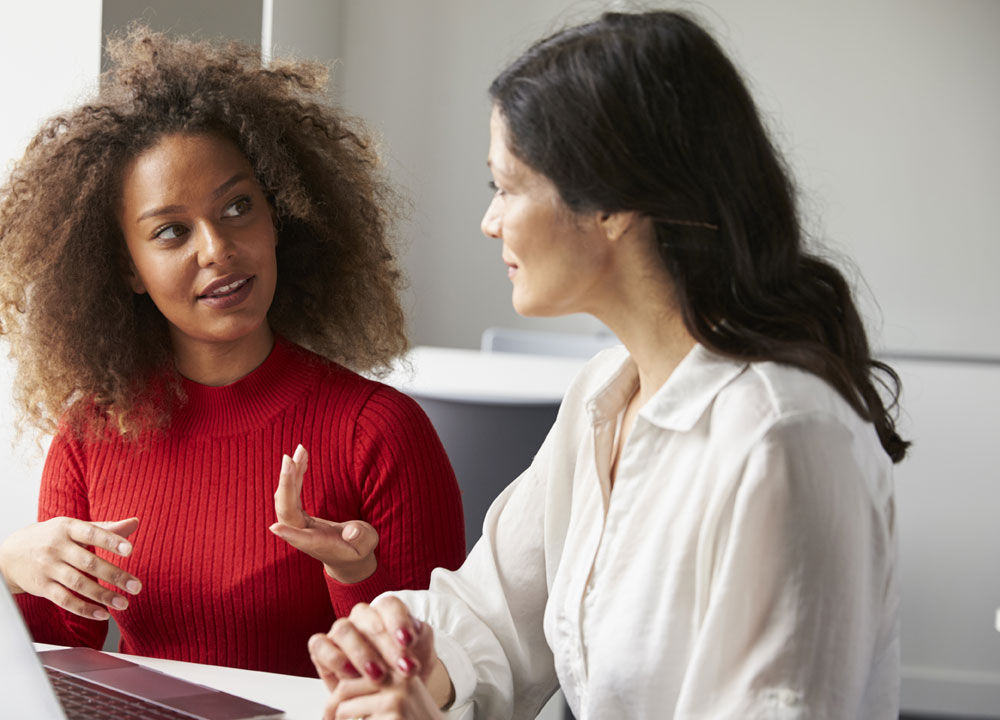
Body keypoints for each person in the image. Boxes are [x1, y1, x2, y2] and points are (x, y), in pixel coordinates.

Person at [308, 10, 908, 718]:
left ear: (614, 205)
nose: (490, 220)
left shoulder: (782, 440)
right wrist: (403, 658)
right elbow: (494, 616)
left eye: (506, 186)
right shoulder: (604, 396)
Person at [0, 27, 465, 678]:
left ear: (277, 218)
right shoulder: (89, 434)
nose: (217, 249)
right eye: (171, 231)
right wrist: (8, 573)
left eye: (237, 208)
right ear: (129, 268)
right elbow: (58, 655)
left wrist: (353, 573)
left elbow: (428, 684)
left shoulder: (381, 433)